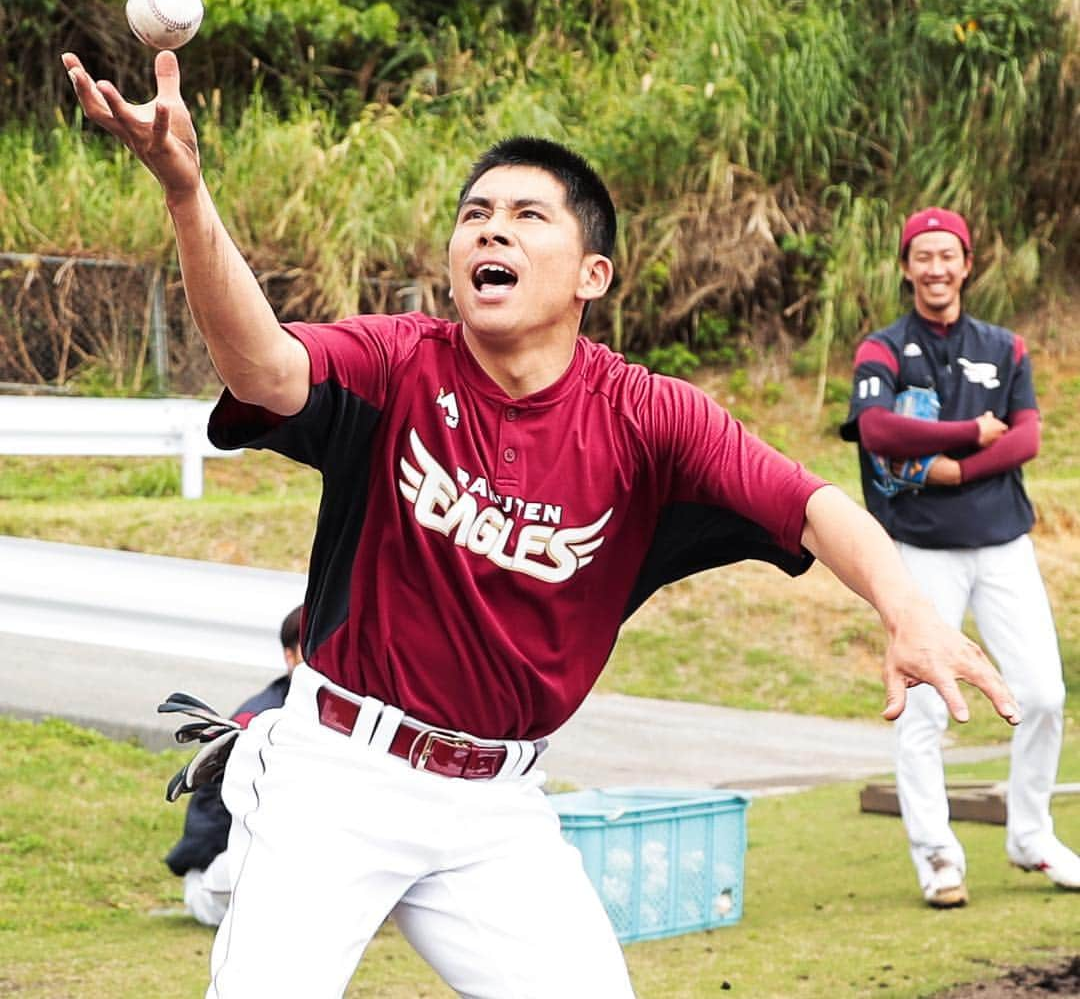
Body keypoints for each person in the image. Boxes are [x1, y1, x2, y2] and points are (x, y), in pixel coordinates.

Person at [61, 49, 1019, 999]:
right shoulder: (402, 361)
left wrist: (907, 611)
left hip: (496, 807)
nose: (493, 232)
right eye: (475, 215)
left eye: (527, 217)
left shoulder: (647, 416)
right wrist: (187, 195)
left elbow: (809, 503)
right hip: (336, 776)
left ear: (590, 274)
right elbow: (264, 370)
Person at [841, 206, 1080, 908]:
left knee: (1042, 694)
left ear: (967, 264)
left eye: (949, 255)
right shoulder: (881, 347)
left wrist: (955, 468)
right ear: (907, 266)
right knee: (923, 710)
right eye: (924, 255)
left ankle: (1030, 835)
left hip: (1002, 541)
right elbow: (878, 428)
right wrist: (973, 431)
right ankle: (938, 857)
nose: (937, 267)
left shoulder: (1005, 346)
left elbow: (1028, 438)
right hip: (920, 547)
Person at [164, 605, 304, 927]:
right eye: (311, 648)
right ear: (289, 656)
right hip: (217, 875)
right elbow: (214, 819)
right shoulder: (258, 720)